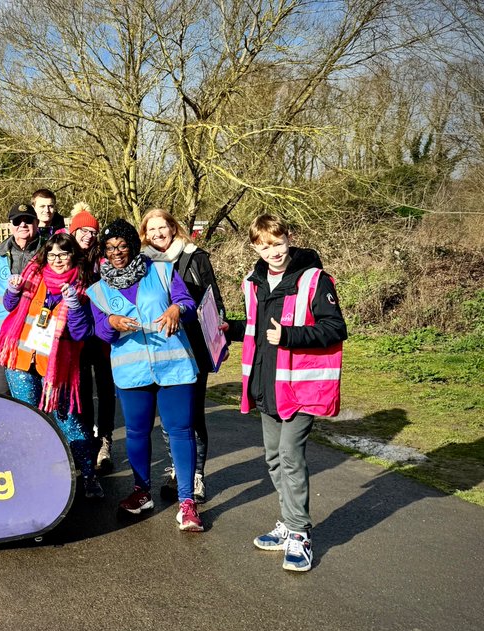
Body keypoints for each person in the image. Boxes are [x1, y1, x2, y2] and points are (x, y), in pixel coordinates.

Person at [240, 214, 346, 572]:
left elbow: (335, 328)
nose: (273, 251)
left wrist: (289, 336)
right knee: (272, 457)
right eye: (264, 245)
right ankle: (287, 523)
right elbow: (258, 329)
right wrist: (229, 328)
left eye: (278, 242)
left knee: (289, 454)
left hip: (300, 388)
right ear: (255, 247)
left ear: (290, 238)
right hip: (266, 385)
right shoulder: (253, 282)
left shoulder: (315, 279)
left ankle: (300, 533)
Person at [86, 219, 204, 531]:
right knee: (137, 434)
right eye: (110, 248)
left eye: (123, 246)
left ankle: (187, 503)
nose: (117, 253)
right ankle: (141, 493)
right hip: (131, 371)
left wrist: (177, 309)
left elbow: (188, 302)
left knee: (179, 431)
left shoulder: (162, 270)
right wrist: (111, 321)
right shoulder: (97, 289)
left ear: (133, 246)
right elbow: (98, 330)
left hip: (174, 367)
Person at [0, 232, 100, 497]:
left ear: (73, 255)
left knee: (68, 420)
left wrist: (74, 306)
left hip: (57, 368)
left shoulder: (83, 286)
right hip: (20, 359)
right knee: (29, 419)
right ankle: (32, 475)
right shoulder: (34, 275)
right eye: (52, 254)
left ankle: (88, 476)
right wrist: (13, 289)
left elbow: (82, 333)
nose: (57, 259)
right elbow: (9, 306)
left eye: (64, 254)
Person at [139, 209, 228, 501]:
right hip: (159, 349)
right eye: (151, 230)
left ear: (173, 228)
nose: (157, 234)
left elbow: (213, 301)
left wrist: (218, 336)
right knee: (168, 418)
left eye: (162, 227)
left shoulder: (195, 256)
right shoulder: (141, 263)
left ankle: (196, 476)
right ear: (144, 234)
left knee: (191, 415)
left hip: (193, 347)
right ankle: (179, 468)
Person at [69, 206, 116, 473]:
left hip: (103, 331)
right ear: (74, 230)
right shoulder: (67, 254)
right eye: (83, 230)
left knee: (106, 386)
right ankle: (87, 438)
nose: (88, 235)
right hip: (79, 332)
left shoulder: (102, 258)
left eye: (93, 231)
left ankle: (105, 439)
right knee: (83, 387)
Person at [0, 203, 46, 395]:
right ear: (10, 225)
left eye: (28, 220)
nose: (23, 225)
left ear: (36, 223)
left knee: (31, 403)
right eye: (17, 221)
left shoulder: (49, 253)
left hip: (33, 340)